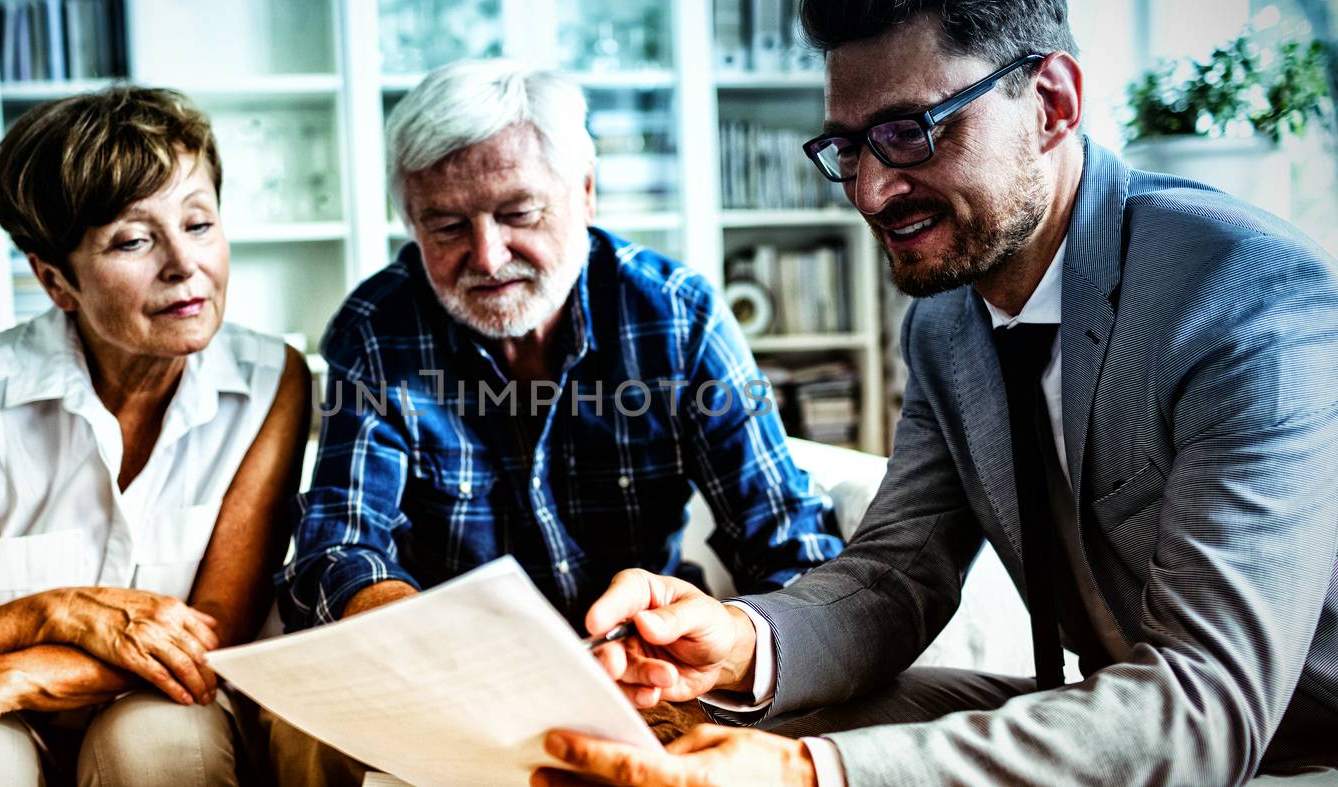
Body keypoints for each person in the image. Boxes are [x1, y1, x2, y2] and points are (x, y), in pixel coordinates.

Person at [535, 2, 1338, 786]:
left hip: (1286, 734)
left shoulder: (1242, 291)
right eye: (849, 148)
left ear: (1053, 103)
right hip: (1101, 704)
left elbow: (1207, 704)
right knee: (712, 732)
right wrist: (741, 640)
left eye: (910, 132)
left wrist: (810, 772)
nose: (872, 192)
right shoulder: (944, 324)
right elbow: (894, 575)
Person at [275, 59, 843, 783]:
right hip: (444, 687)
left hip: (641, 676)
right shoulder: (376, 328)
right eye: (446, 225)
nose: (487, 256)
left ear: (584, 192)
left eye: (517, 213)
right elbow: (334, 549)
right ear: (410, 222)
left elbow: (793, 544)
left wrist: (711, 655)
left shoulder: (677, 315)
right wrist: (416, 633)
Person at [0, 86, 312, 787]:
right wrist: (51, 613)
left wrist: (12, 674)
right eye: (134, 239)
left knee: (162, 740)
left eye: (198, 223)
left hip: (151, 699)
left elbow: (211, 633)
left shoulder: (272, 380)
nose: (183, 264)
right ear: (54, 279)